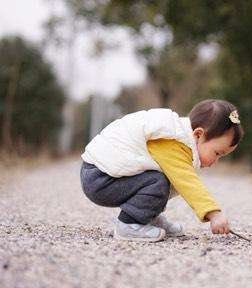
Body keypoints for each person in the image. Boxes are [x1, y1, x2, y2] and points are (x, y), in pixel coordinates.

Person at [80, 99, 243, 242]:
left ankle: (146, 217)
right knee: (158, 181)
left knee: (161, 178)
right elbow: (187, 182)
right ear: (198, 134)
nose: (216, 161)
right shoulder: (173, 141)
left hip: (102, 174)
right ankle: (129, 224)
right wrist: (214, 213)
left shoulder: (180, 138)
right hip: (100, 178)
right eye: (217, 153)